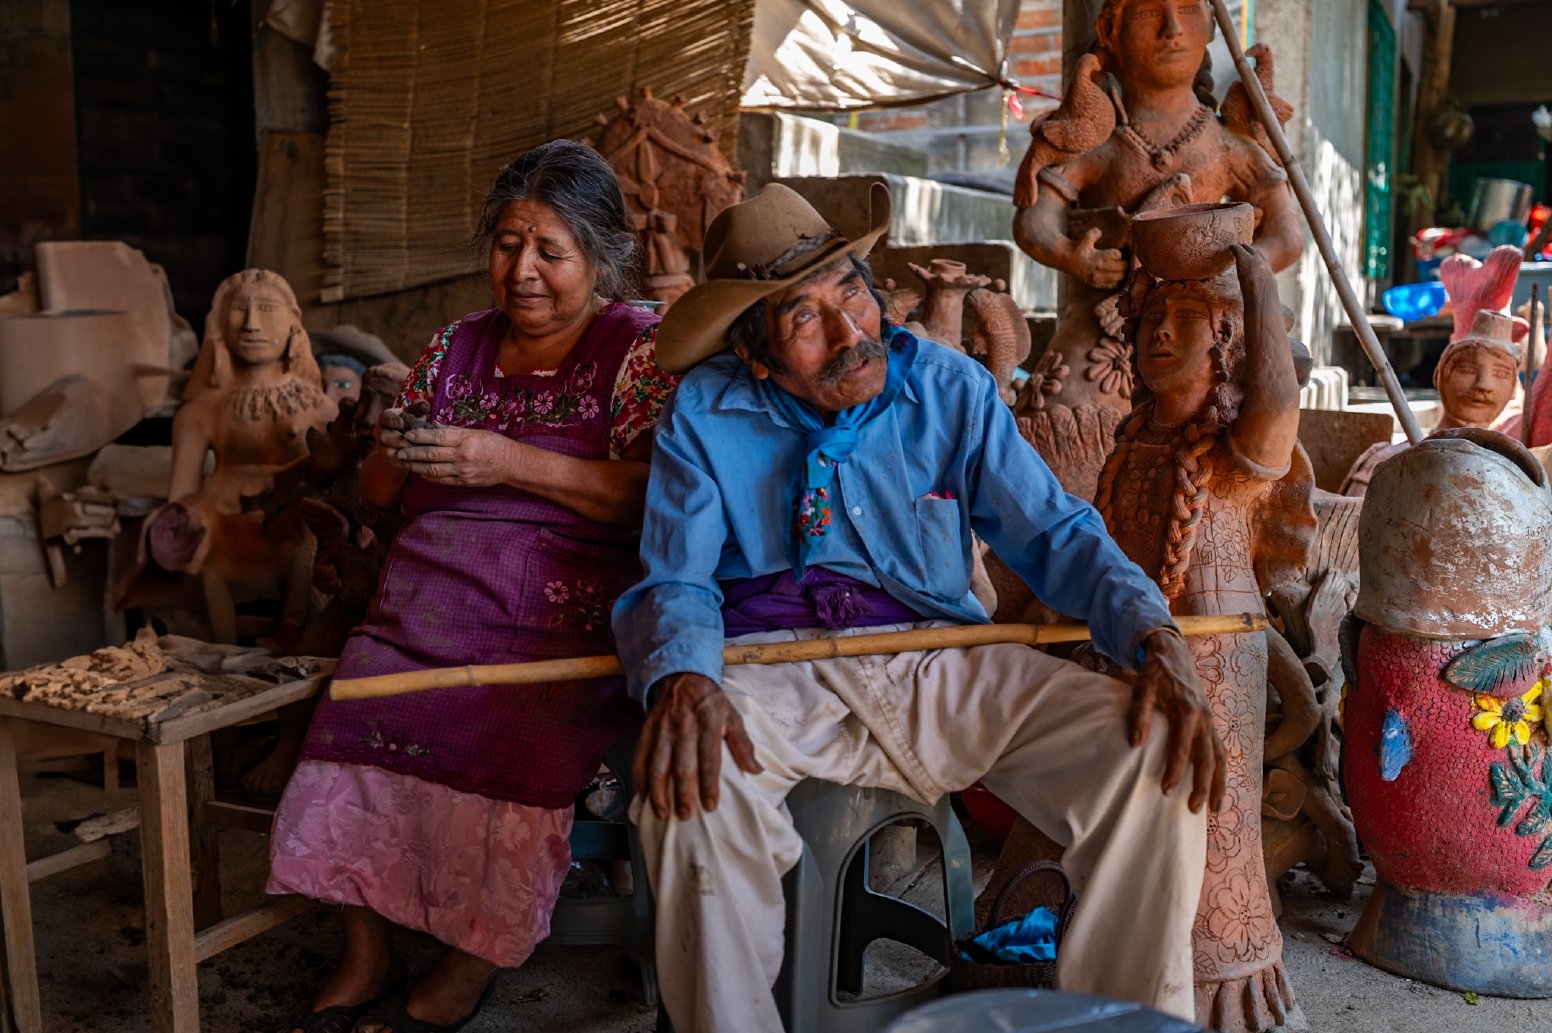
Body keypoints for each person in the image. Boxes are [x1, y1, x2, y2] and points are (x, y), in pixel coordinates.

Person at [612, 182, 1227, 1032]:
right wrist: (684, 678)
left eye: (852, 292)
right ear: (756, 353)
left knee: (1155, 754)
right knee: (690, 793)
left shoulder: (949, 387)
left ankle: (1124, 1023)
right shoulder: (706, 411)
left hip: (940, 660)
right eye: (804, 317)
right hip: (772, 672)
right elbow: (675, 580)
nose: (849, 332)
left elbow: (1055, 532)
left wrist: (1152, 631)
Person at [266, 139, 679, 1033]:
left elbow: (656, 495)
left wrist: (506, 459)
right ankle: (367, 954)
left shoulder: (638, 349)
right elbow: (380, 495)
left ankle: (470, 961)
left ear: (601, 257)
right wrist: (390, 449)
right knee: (355, 709)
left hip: (559, 623)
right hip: (425, 607)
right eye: (506, 244)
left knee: (511, 739)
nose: (521, 270)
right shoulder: (456, 343)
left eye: (550, 252)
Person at [1093, 244, 1314, 1030]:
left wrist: (1257, 283)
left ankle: (1222, 977)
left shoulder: (1231, 450)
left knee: (1211, 817)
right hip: (1129, 645)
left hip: (1217, 652)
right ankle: (1114, 961)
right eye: (1153, 316)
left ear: (1226, 344)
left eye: (1186, 319)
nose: (1160, 332)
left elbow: (1277, 407)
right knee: (1117, 805)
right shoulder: (1132, 440)